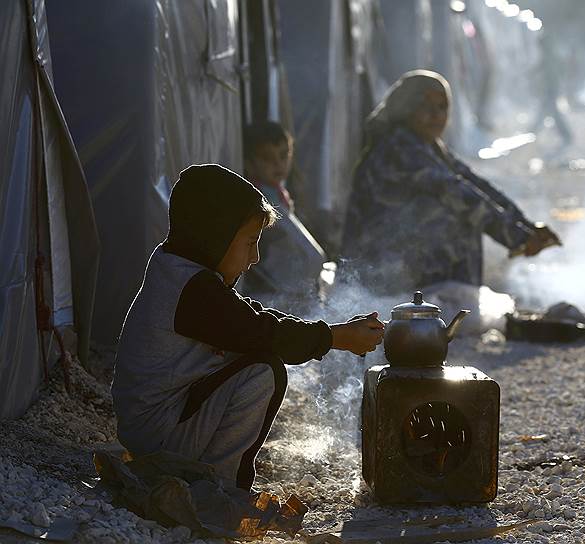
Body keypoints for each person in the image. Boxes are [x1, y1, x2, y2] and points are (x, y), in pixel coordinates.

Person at [112, 164, 384, 491]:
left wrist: (334, 330)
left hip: (154, 423)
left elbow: (248, 317)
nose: (254, 257)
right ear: (214, 234)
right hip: (158, 430)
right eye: (250, 242)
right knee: (263, 371)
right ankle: (218, 488)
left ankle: (204, 476)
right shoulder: (191, 288)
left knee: (252, 354)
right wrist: (335, 337)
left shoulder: (179, 267)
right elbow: (263, 333)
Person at [341, 70, 560, 294]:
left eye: (442, 107)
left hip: (396, 255)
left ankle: (454, 306)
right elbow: (454, 191)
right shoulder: (398, 147)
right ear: (407, 108)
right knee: (458, 218)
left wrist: (526, 226)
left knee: (465, 214)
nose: (436, 116)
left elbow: (474, 183)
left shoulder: (429, 146)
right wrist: (516, 237)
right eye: (426, 107)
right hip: (372, 263)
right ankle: (444, 306)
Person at [240, 122, 327, 308]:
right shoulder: (259, 197)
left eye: (283, 155)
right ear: (249, 163)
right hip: (270, 291)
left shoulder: (277, 191)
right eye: (267, 158)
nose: (278, 164)